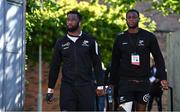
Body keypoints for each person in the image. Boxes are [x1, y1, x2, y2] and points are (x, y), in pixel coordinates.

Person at [110, 9, 169, 111]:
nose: (131, 19)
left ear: (139, 19)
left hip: (143, 81)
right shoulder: (120, 38)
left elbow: (158, 57)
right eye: (129, 17)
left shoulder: (149, 37)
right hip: (125, 82)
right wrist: (111, 82)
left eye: (134, 17)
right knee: (124, 110)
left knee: (141, 110)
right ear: (126, 20)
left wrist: (163, 77)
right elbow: (115, 62)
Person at [46, 10, 104, 111]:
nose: (70, 22)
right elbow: (55, 67)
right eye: (68, 20)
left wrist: (100, 85)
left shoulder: (90, 40)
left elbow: (97, 64)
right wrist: (50, 89)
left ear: (79, 22)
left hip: (86, 87)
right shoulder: (60, 42)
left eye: (73, 20)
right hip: (67, 87)